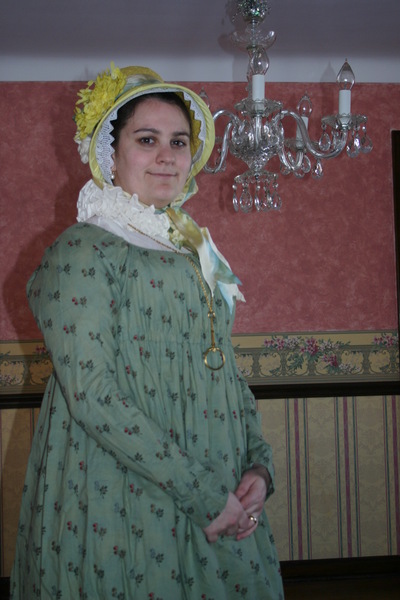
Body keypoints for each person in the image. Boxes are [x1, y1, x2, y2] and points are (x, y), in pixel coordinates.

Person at [10, 63, 284, 599]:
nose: (167, 155)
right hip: (122, 491)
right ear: (110, 156)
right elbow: (92, 395)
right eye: (147, 139)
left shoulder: (195, 248)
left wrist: (258, 464)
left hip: (220, 484)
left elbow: (224, 366)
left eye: (178, 141)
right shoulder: (84, 249)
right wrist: (201, 493)